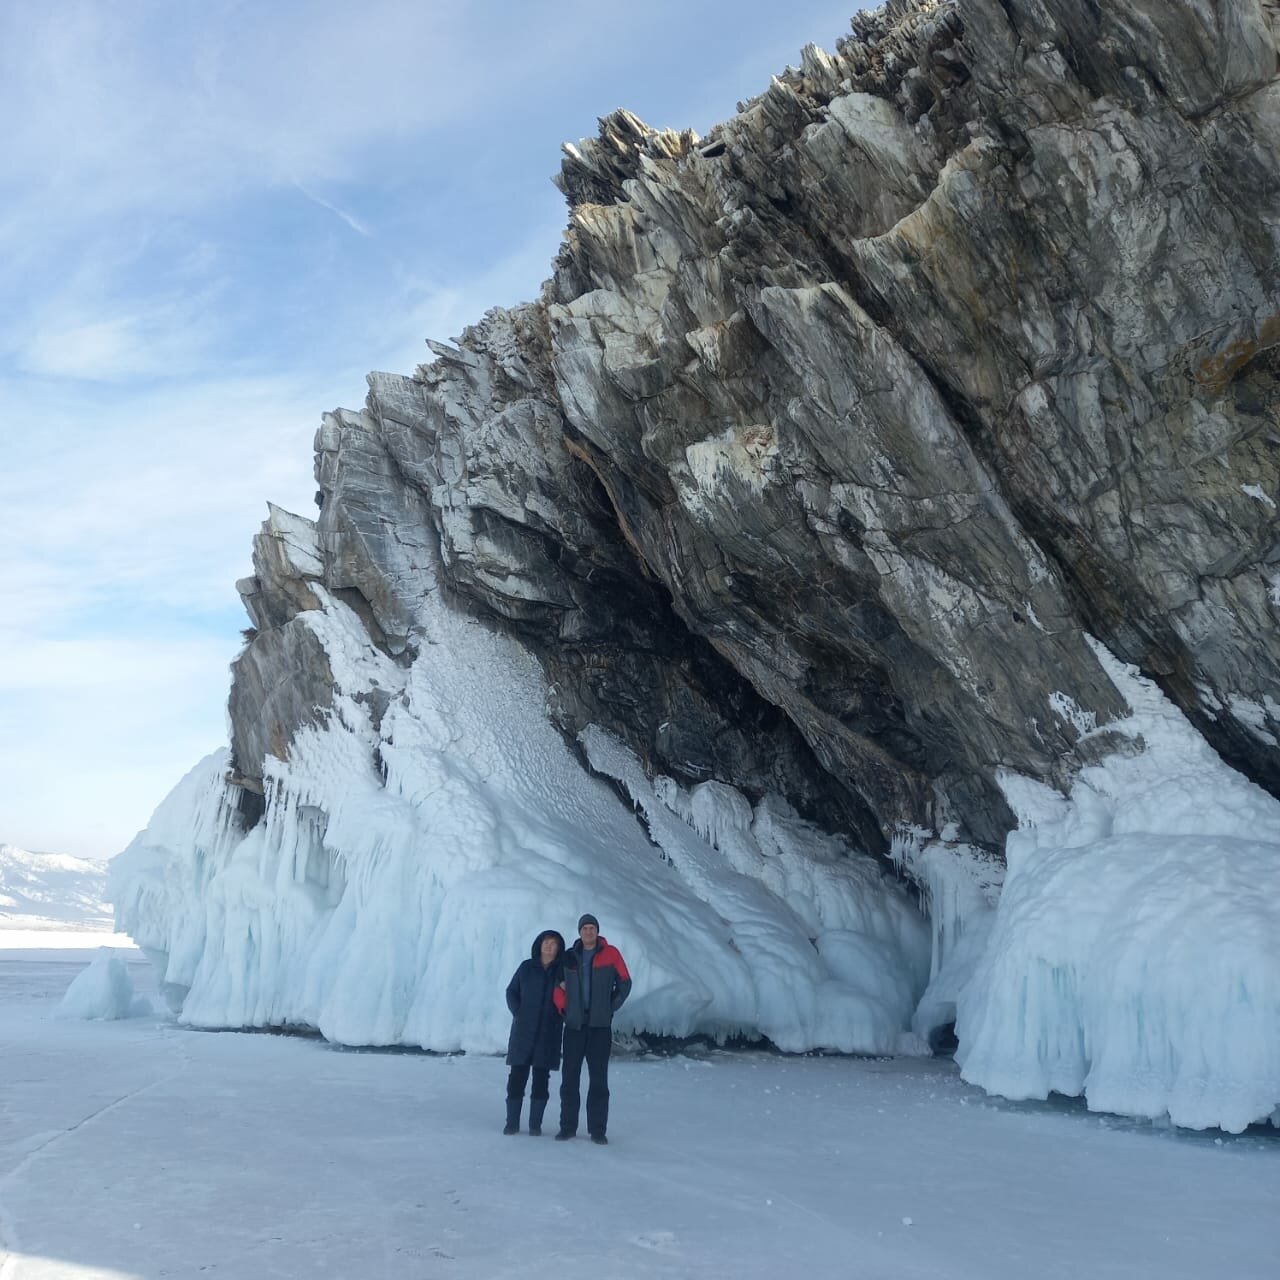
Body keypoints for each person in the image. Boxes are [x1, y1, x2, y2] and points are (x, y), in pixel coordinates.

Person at [553, 913, 631, 1144]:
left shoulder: (611, 954)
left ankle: (598, 1130)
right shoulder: (569, 957)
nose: (588, 932)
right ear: (579, 932)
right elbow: (557, 986)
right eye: (585, 928)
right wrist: (563, 1009)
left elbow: (625, 983)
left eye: (592, 928)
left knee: (599, 1080)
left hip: (599, 1026)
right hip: (575, 1026)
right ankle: (567, 1127)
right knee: (569, 1078)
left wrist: (610, 1007)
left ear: (597, 931)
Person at [503, 929, 566, 1135]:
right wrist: (518, 1012)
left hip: (548, 1032)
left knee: (541, 1079)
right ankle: (512, 1123)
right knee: (517, 1077)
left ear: (558, 948)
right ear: (539, 945)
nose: (548, 946)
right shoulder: (526, 968)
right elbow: (511, 991)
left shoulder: (562, 972)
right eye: (545, 942)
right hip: (524, 1031)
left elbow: (570, 999)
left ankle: (535, 1125)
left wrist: (561, 1016)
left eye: (553, 943)